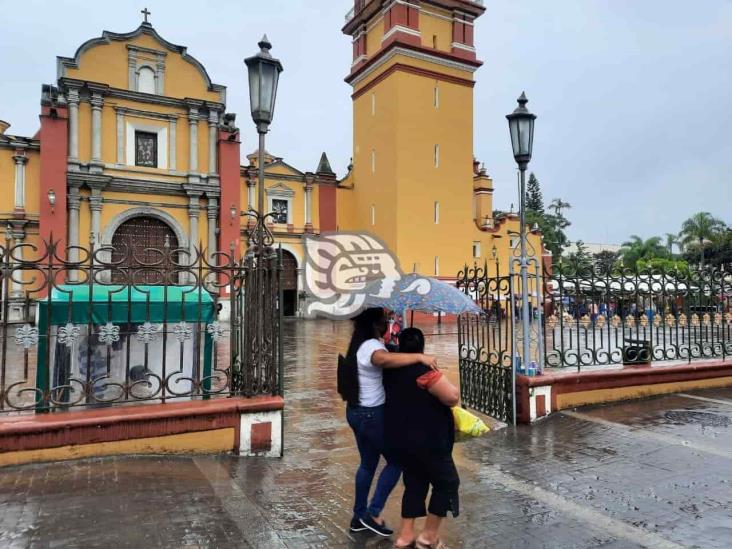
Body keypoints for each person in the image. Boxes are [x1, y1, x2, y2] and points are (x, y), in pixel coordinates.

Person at [340, 308, 439, 537]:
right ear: (376, 324)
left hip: (357, 412)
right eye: (385, 321)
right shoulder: (371, 347)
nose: (388, 323)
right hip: (371, 414)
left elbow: (385, 355)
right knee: (397, 460)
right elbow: (382, 359)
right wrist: (418, 357)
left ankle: (358, 517)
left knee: (367, 464)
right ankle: (372, 514)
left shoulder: (361, 343)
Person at [383, 328, 461, 549]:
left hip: (402, 439)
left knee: (415, 484)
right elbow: (451, 397)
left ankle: (405, 536)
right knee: (447, 482)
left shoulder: (389, 371)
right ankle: (428, 536)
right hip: (429, 441)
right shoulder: (424, 372)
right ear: (422, 347)